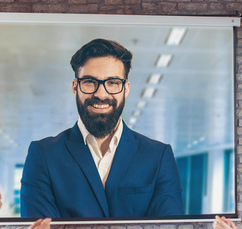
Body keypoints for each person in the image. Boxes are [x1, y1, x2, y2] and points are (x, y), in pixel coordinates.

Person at [20, 38, 184, 218]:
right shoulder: (44, 156)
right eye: (90, 82)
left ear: (126, 89)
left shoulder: (158, 156)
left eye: (112, 82)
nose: (101, 94)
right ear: (75, 87)